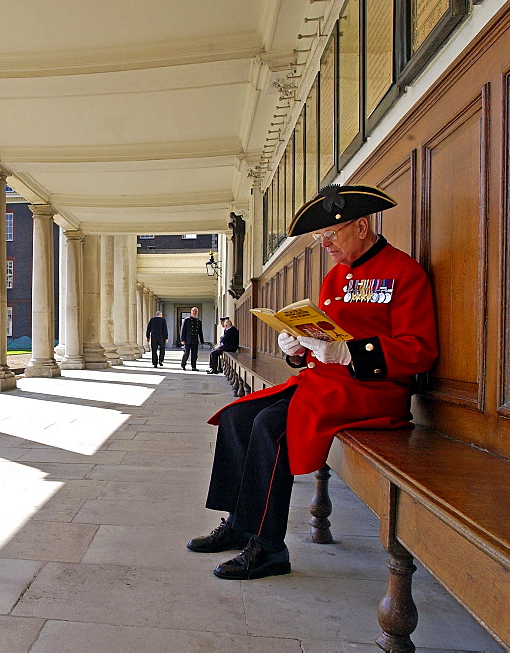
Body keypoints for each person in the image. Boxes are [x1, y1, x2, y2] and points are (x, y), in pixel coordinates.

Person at [186, 184, 438, 580]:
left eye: (330, 235)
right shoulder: (335, 277)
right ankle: (239, 522)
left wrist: (351, 354)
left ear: (361, 226)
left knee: (271, 426)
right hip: (326, 384)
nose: (324, 244)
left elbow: (419, 349)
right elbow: (326, 336)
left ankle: (268, 547)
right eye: (319, 237)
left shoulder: (404, 272)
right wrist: (297, 348)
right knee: (238, 417)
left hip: (373, 392)